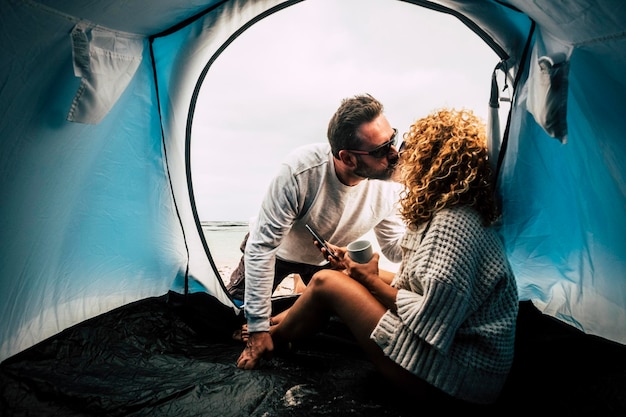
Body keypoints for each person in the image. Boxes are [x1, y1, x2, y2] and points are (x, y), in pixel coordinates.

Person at [238, 108, 519, 407]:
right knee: (343, 277)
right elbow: (422, 287)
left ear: (434, 162)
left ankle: (271, 341)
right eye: (387, 149)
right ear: (348, 157)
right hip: (462, 369)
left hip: (451, 378)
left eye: (408, 148)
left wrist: (370, 280)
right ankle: (273, 326)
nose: (399, 156)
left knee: (325, 282)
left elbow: (428, 320)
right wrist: (358, 270)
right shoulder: (454, 213)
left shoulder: (454, 223)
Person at [235, 94, 406, 368]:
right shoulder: (301, 171)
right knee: (233, 321)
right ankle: (280, 302)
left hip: (324, 259)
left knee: (326, 322)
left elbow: (394, 250)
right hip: (275, 250)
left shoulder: (387, 184)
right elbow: (262, 248)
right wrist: (257, 330)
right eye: (380, 149)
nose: (394, 154)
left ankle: (298, 291)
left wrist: (428, 225)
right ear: (347, 158)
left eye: (393, 139)